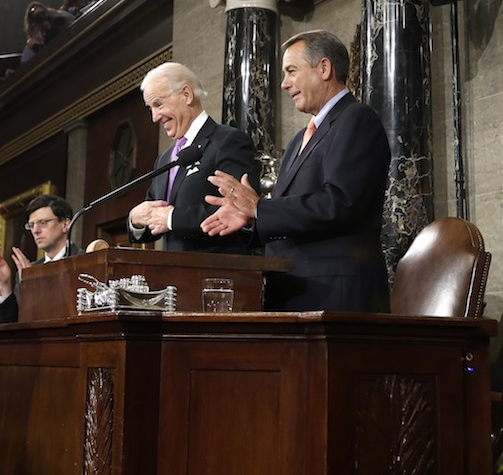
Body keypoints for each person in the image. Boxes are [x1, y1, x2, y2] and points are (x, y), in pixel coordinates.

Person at [201, 30, 391, 312]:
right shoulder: (298, 141)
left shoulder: (356, 119)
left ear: (324, 68)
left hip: (337, 295)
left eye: (291, 71)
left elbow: (340, 203)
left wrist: (260, 208)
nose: (284, 84)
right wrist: (250, 218)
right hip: (294, 290)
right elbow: (286, 215)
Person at [127, 62, 258, 253]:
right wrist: (136, 220)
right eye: (150, 108)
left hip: (216, 272)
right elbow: (154, 219)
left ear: (186, 95)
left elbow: (239, 209)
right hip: (171, 275)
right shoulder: (164, 159)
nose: (155, 117)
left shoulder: (227, 141)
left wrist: (172, 219)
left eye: (158, 104)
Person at [0, 195, 82, 323]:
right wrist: (5, 284)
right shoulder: (29, 269)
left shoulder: (84, 262)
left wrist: (33, 288)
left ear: (65, 224)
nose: (35, 231)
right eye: (31, 225)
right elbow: (12, 325)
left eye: (43, 223)